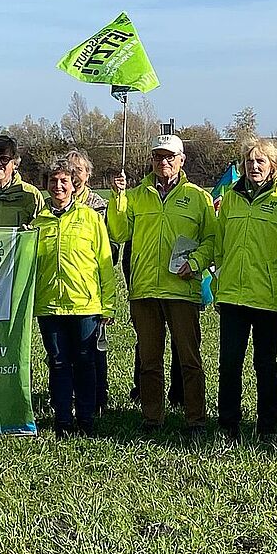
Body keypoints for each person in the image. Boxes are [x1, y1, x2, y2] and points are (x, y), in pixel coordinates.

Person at [107, 134, 217, 433]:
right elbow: (118, 234)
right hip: (144, 289)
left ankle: (195, 419)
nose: (163, 161)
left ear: (182, 160)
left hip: (182, 289)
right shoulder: (137, 195)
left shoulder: (198, 197)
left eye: (169, 156)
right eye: (158, 156)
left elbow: (212, 240)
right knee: (149, 360)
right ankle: (152, 418)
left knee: (190, 360)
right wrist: (118, 198)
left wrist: (195, 263)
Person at [214, 137, 277, 439]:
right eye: (249, 161)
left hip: (268, 299)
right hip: (232, 298)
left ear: (274, 166)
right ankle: (227, 424)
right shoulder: (230, 199)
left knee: (265, 365)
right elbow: (218, 246)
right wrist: (216, 282)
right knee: (229, 364)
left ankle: (267, 426)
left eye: (260, 161)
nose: (254, 166)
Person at [35, 155, 117, 436]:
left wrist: (108, 306)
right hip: (49, 306)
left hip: (85, 305)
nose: (59, 186)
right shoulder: (37, 223)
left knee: (85, 362)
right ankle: (62, 421)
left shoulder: (90, 218)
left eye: (64, 181)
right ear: (46, 185)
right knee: (58, 363)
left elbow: (105, 262)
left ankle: (86, 419)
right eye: (53, 181)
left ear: (74, 185)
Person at [67, 150, 113, 411]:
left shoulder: (97, 204)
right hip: (66, 288)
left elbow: (107, 246)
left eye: (79, 171)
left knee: (94, 348)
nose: (74, 177)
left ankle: (98, 396)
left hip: (91, 285)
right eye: (70, 171)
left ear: (88, 174)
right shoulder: (57, 201)